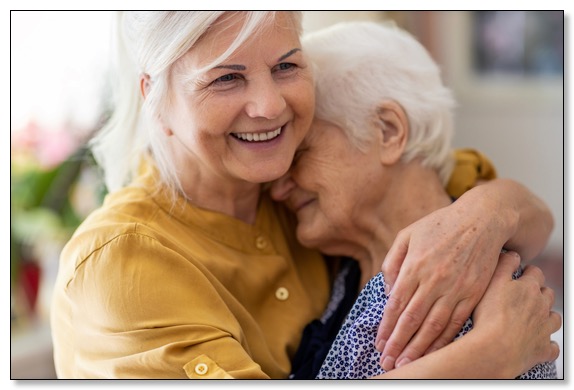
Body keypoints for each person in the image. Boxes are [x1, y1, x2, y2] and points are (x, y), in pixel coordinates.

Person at [50, 11, 557, 379]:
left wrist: (489, 213)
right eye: (226, 78)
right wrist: (489, 358)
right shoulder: (121, 263)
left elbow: (495, 202)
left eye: (287, 66)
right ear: (154, 97)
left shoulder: (283, 189)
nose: (269, 106)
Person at [270, 21, 561, 379]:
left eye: (300, 153)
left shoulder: (479, 295)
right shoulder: (343, 273)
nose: (277, 188)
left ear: (389, 131)